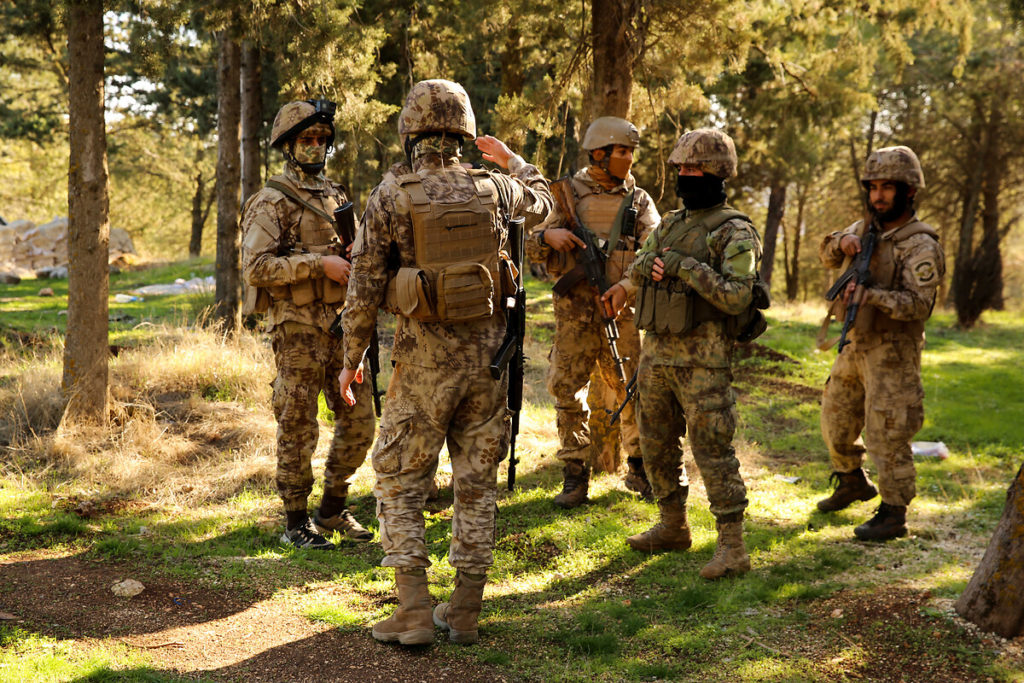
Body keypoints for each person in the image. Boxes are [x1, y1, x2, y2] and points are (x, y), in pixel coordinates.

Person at [338, 79, 551, 645]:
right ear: (462, 129)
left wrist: (351, 357)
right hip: (490, 366)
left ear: (410, 129)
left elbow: (363, 285)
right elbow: (547, 203)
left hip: (423, 367)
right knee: (476, 485)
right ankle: (464, 612)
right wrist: (514, 161)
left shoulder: (392, 195)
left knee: (400, 481)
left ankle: (412, 611)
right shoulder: (499, 189)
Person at [626, 128, 765, 580]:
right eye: (681, 168)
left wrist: (686, 268)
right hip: (657, 358)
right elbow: (638, 264)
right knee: (655, 446)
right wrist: (649, 264)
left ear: (718, 173)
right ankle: (672, 527)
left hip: (703, 362)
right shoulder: (670, 223)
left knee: (713, 449)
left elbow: (736, 297)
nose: (686, 176)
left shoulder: (735, 230)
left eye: (695, 169)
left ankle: (732, 547)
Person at [241, 99, 375, 551]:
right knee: (298, 426)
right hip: (297, 330)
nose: (316, 147)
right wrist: (319, 265)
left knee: (360, 421)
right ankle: (296, 520)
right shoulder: (271, 200)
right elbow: (256, 267)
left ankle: (334, 507)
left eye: (322, 139)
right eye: (306, 139)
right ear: (288, 145)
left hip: (342, 326)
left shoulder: (337, 196)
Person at [525, 116, 661, 508]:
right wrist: (546, 236)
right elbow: (529, 244)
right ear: (599, 154)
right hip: (575, 313)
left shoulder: (639, 200)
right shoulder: (564, 193)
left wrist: (627, 287)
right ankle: (574, 473)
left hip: (621, 311)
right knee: (566, 390)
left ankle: (638, 468)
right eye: (623, 152)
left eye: (632, 153)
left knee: (632, 388)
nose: (629, 160)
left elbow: (654, 250)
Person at [817, 145, 944, 541]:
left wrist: (872, 297)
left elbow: (919, 306)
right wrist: (841, 242)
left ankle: (893, 512)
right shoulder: (862, 230)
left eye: (888, 187)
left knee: (886, 433)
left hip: (894, 352)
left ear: (908, 191)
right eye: (872, 187)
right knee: (835, 419)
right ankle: (853, 481)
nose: (878, 196)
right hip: (855, 344)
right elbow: (825, 255)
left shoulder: (921, 245)